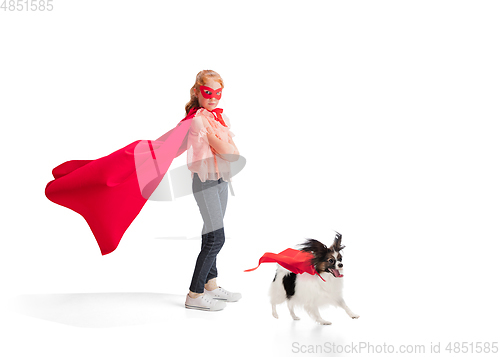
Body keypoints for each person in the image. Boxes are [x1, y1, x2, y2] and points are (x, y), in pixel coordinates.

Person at [184, 70, 242, 311]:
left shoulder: (220, 117)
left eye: (218, 93)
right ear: (198, 92)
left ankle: (211, 284)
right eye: (208, 92)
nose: (213, 97)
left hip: (221, 179)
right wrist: (224, 146)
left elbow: (234, 154)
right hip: (205, 181)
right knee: (217, 238)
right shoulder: (198, 120)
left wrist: (222, 145)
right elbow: (230, 153)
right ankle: (194, 294)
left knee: (210, 234)